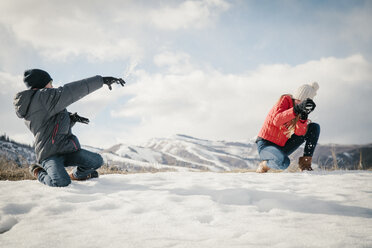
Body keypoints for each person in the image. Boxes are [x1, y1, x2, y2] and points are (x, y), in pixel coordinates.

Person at [14, 69, 125, 186]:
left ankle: (78, 175)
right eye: (50, 82)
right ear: (40, 84)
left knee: (96, 161)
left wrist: (71, 119)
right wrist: (101, 80)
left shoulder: (42, 101)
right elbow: (71, 91)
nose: (52, 85)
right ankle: (38, 171)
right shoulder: (43, 97)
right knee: (61, 182)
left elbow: (50, 124)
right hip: (50, 155)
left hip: (66, 150)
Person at [256, 82, 320, 173]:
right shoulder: (285, 100)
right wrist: (296, 109)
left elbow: (299, 133)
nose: (298, 103)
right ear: (294, 97)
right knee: (284, 163)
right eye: (297, 100)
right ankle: (264, 165)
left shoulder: (300, 110)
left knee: (314, 127)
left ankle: (305, 165)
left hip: (282, 146)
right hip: (266, 145)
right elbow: (277, 120)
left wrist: (303, 116)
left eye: (302, 102)